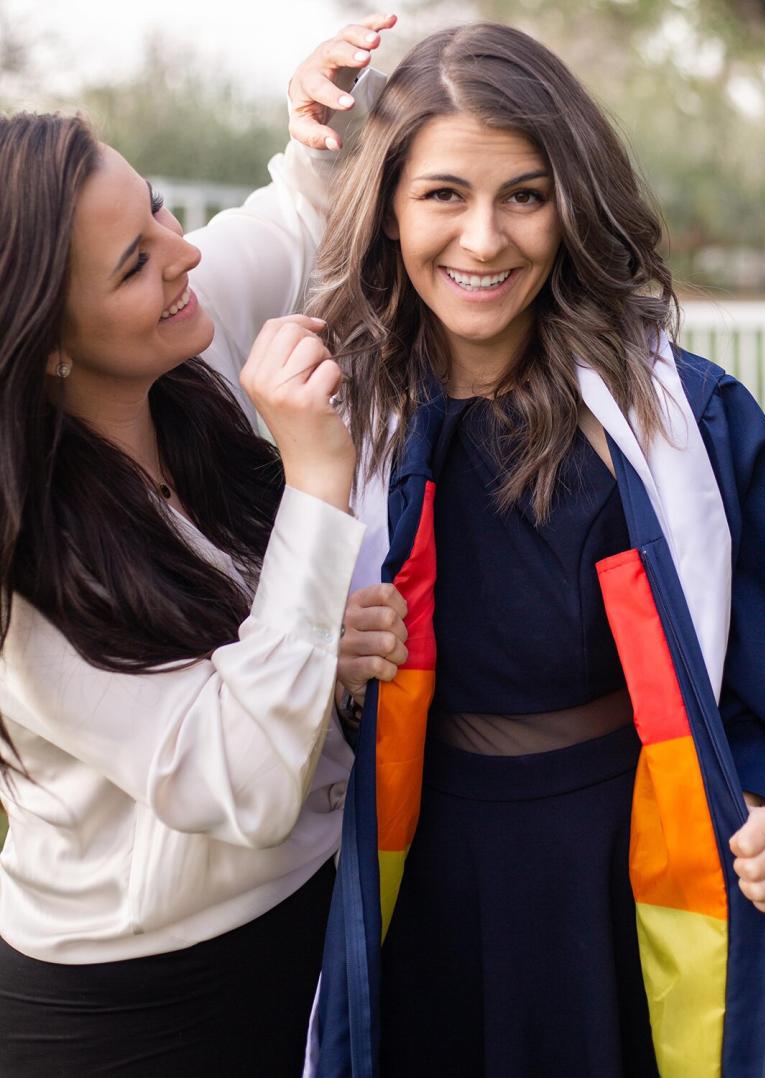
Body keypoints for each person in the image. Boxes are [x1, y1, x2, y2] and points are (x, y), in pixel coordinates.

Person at [305, 22, 765, 1078]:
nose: (484, 240)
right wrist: (319, 650)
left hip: (623, 850)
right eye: (443, 195)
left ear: (574, 198)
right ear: (386, 205)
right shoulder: (335, 423)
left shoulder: (681, 430)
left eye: (525, 193)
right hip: (423, 857)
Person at [0, 15, 407, 1077]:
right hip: (134, 1008)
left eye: (159, 209)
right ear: (46, 341)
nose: (183, 252)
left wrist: (327, 127)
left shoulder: (179, 351)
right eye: (135, 260)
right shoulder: (21, 576)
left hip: (315, 924)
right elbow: (246, 782)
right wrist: (318, 486)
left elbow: (289, 224)